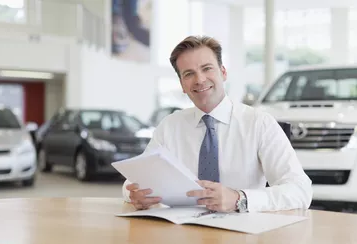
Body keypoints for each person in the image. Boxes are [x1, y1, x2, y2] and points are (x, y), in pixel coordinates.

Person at [122, 35, 313, 213]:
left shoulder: (259, 123)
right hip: (182, 233)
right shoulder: (169, 126)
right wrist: (135, 195)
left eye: (207, 68)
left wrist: (240, 199)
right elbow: (134, 180)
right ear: (182, 84)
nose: (200, 79)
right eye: (189, 74)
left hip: (243, 235)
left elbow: (301, 191)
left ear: (223, 72)